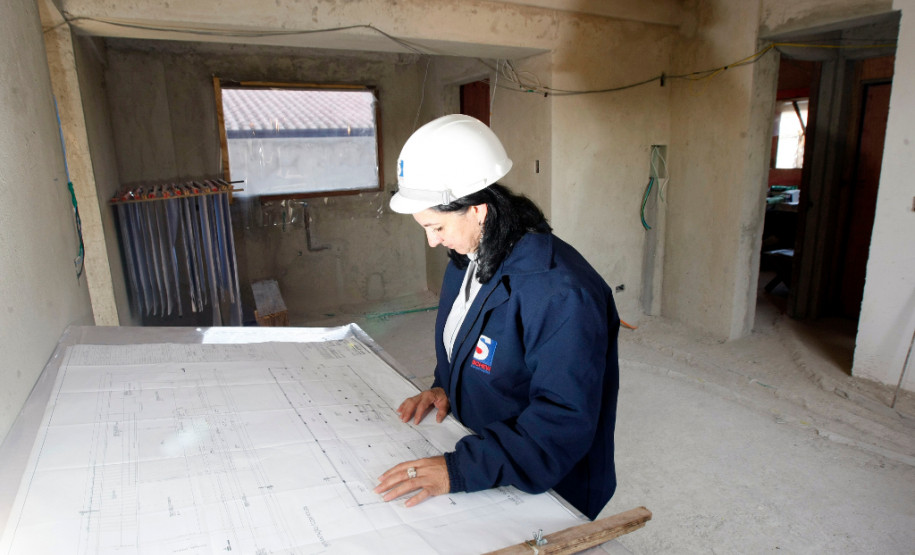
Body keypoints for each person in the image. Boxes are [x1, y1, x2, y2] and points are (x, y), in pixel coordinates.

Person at [373, 114, 619, 520]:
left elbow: (562, 422)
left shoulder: (560, 294)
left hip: (546, 486)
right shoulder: (466, 258)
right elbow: (468, 339)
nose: (432, 241)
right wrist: (444, 386)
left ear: (478, 210)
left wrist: (457, 470)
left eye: (435, 226)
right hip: (486, 449)